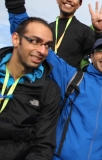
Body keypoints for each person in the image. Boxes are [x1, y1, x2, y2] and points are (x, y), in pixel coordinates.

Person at [1, 0, 102, 159]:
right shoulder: (74, 78)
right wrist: (16, 6)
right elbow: (30, 35)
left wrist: (99, 32)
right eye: (100, 52)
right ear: (90, 55)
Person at [0, 0, 95, 70]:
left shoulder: (85, 31)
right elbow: (24, 34)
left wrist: (99, 32)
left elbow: (100, 54)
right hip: (40, 78)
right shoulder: (47, 28)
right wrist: (15, 6)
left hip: (67, 82)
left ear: (79, 4)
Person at [0, 17, 60, 159]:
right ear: (16, 39)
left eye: (47, 45)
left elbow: (43, 146)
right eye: (35, 41)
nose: (42, 51)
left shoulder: (49, 90)